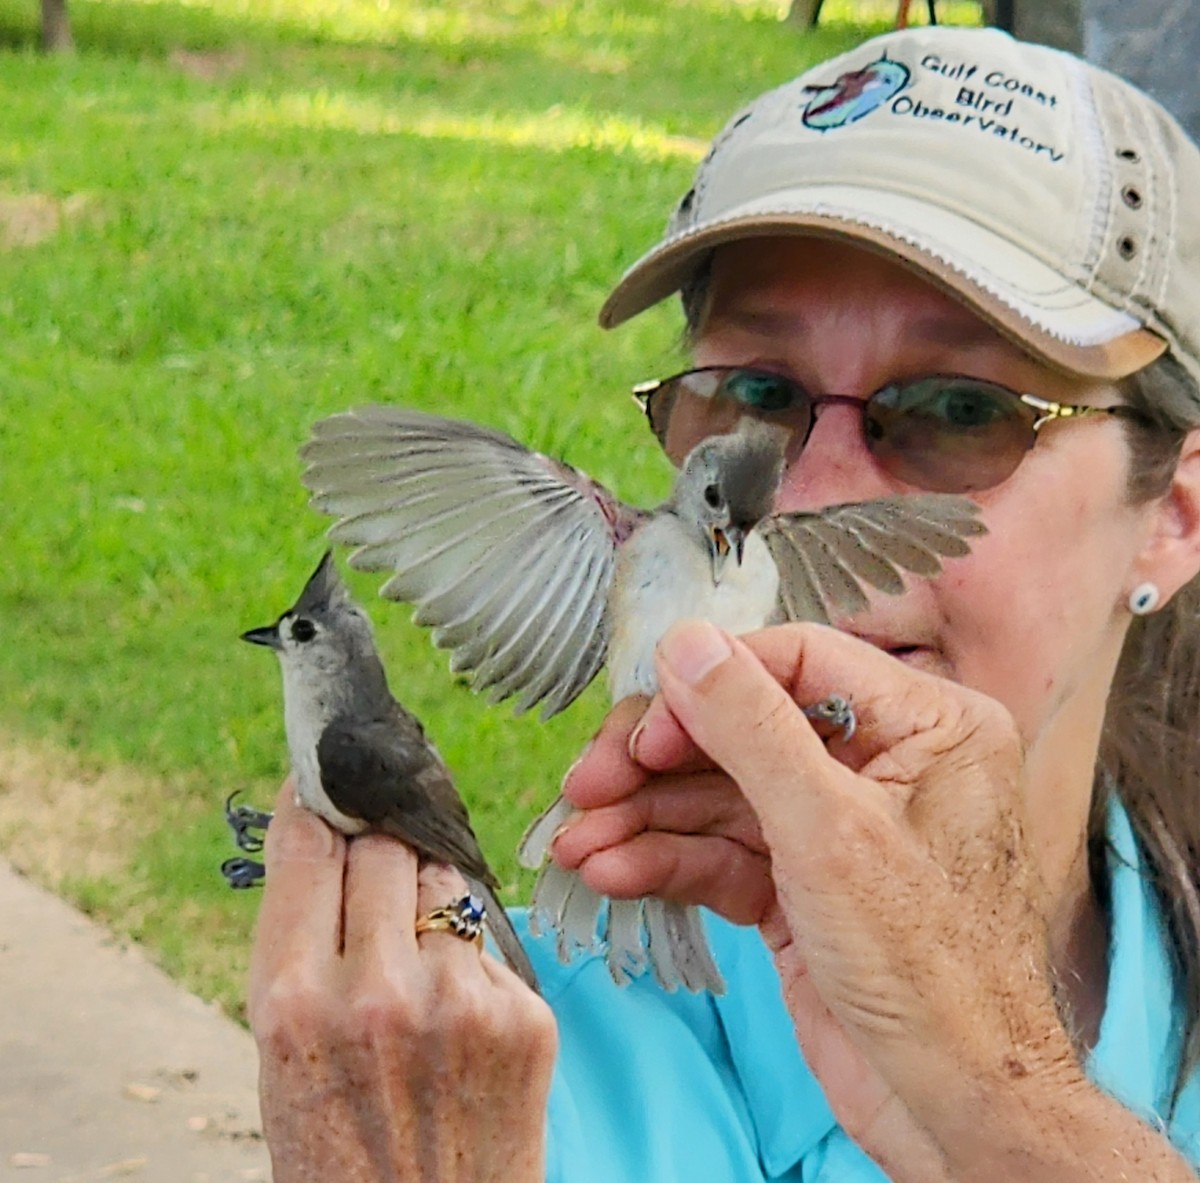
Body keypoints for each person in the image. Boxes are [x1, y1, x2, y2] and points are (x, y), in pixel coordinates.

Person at [246, 23, 1200, 1182]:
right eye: (756, 391)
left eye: (959, 409)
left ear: (1177, 513)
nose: (807, 492)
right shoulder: (501, 1065)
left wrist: (1011, 1113)